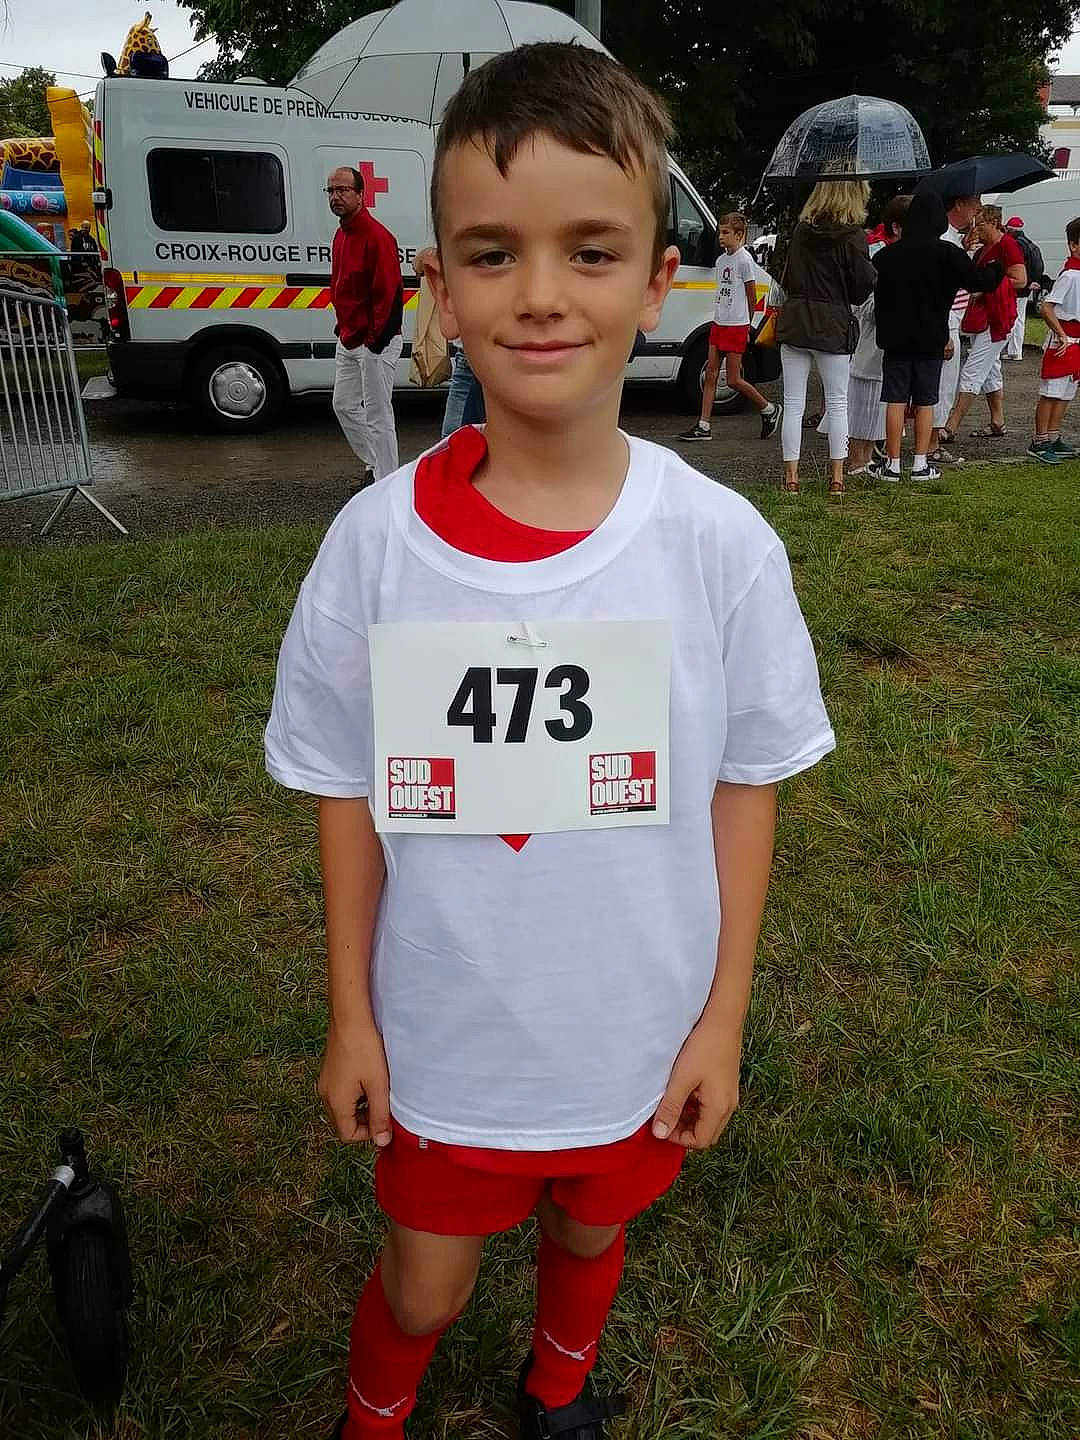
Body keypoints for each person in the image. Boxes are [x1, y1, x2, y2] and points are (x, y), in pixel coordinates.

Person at [265, 41, 835, 1440]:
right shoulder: (374, 549)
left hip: (637, 1029)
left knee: (590, 1230)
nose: (538, 294)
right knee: (424, 1289)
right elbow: (342, 788)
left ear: (659, 279)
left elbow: (746, 783)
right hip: (448, 1041)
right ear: (439, 284)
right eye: (491, 253)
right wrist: (353, 1016)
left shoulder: (720, 548)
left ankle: (559, 1389)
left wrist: (720, 1018)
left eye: (589, 251)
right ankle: (374, 1416)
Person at [868, 191, 1003, 482]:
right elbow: (979, 281)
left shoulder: (886, 256)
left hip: (895, 339)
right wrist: (997, 265)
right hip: (932, 339)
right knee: (926, 401)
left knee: (895, 400)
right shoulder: (947, 253)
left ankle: (892, 464)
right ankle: (920, 463)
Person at [776, 179, 876, 495]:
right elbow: (861, 287)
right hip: (832, 323)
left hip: (796, 320)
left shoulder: (802, 231)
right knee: (837, 403)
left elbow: (788, 275)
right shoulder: (853, 236)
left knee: (793, 403)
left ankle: (792, 477)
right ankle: (837, 477)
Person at [328, 165, 404, 480]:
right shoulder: (341, 235)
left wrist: (375, 342)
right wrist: (344, 328)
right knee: (344, 405)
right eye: (331, 190)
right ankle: (376, 464)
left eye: (343, 190)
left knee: (378, 415)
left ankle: (387, 481)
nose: (335, 196)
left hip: (375, 342)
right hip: (349, 338)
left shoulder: (378, 237)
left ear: (361, 195)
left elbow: (390, 294)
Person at [678, 212, 781, 441]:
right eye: (720, 233)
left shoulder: (745, 261)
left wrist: (747, 324)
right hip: (719, 323)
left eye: (726, 233)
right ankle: (703, 425)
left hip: (736, 325)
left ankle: (768, 408)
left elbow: (751, 295)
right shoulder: (721, 261)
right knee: (711, 374)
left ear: (739, 234)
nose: (721, 237)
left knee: (733, 379)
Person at [939, 205, 1026, 443]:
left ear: (994, 223)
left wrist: (988, 287)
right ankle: (997, 420)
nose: (977, 229)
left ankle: (951, 425)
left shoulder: (1007, 245)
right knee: (990, 370)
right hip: (982, 317)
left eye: (981, 224)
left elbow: (1020, 279)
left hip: (997, 317)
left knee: (973, 369)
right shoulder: (983, 249)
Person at [842, 194, 910, 474]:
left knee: (881, 401)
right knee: (863, 399)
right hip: (871, 336)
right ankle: (857, 458)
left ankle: (869, 455)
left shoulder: (904, 254)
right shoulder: (876, 253)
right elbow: (862, 301)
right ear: (897, 227)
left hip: (894, 340)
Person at [929, 193, 980, 463]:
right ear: (958, 204)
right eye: (974, 203)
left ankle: (928, 443)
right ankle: (931, 445)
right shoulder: (945, 240)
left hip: (950, 321)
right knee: (942, 385)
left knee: (940, 385)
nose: (978, 209)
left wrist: (965, 249)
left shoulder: (951, 239)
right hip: (946, 322)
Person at [1027, 216, 1080, 463]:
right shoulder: (1070, 275)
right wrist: (1060, 334)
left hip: (1076, 340)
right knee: (1051, 392)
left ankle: (1053, 435)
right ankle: (1039, 440)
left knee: (1066, 393)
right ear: (1073, 245)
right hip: (1064, 340)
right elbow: (1046, 307)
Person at [1004, 216, 1043, 361]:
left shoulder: (1016, 245)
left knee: (1013, 317)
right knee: (1020, 318)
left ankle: (1013, 350)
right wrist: (1033, 281)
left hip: (1019, 285)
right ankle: (1015, 350)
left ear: (1010, 229)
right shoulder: (1030, 244)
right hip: (1027, 286)